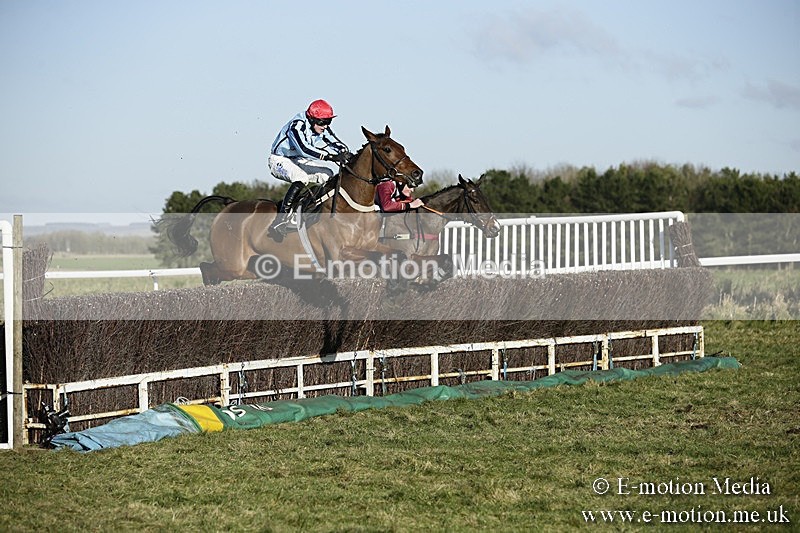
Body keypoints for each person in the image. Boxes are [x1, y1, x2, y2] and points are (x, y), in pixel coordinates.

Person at [267, 99, 351, 238]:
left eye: (328, 122)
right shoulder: (297, 126)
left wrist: (345, 153)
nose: (325, 126)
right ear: (311, 119)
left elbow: (332, 141)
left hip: (299, 160)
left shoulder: (320, 126)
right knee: (301, 178)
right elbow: (304, 149)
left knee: (328, 175)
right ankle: (281, 219)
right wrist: (330, 157)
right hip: (280, 160)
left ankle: (314, 209)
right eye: (322, 122)